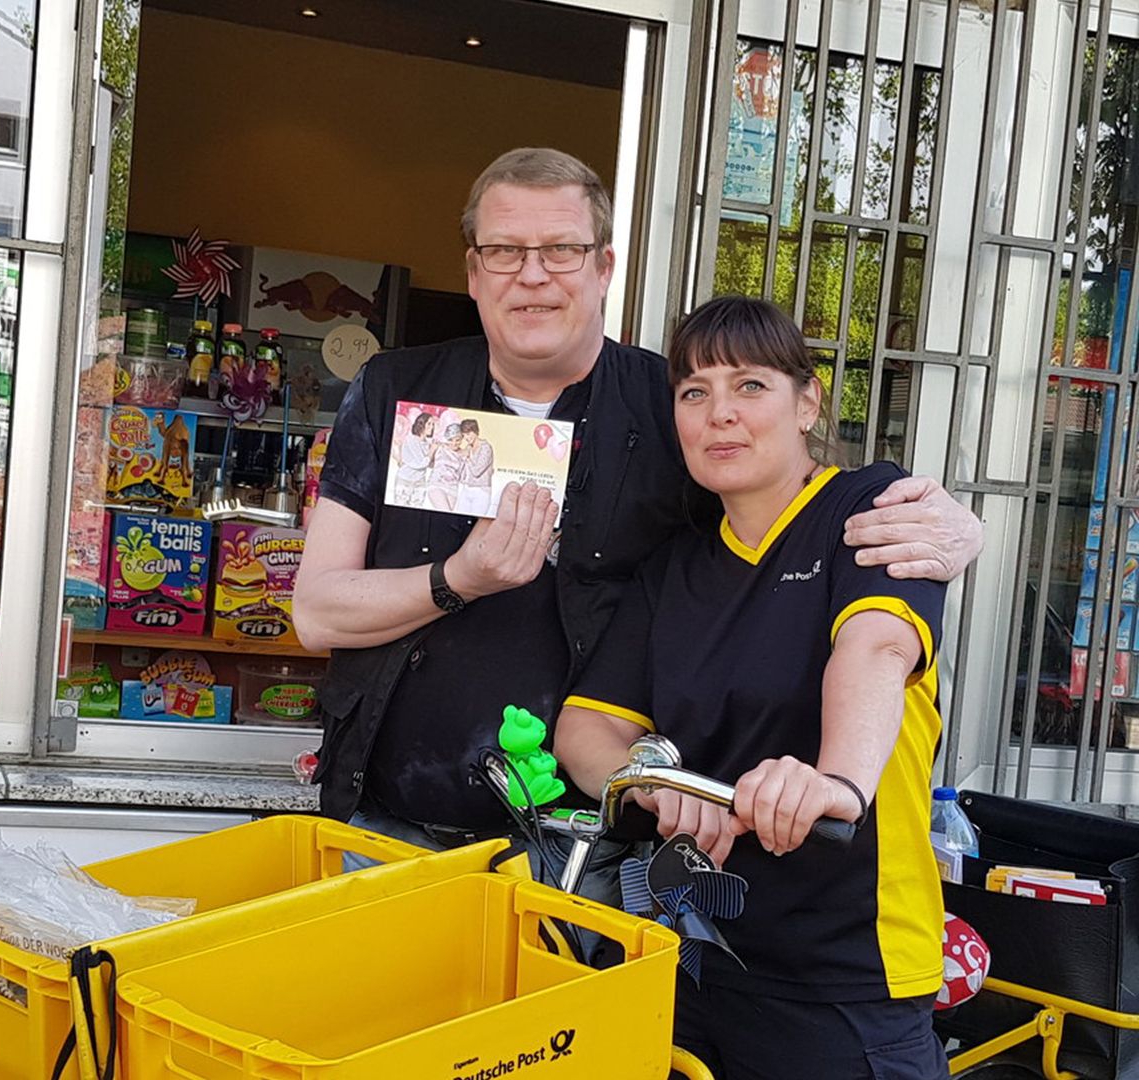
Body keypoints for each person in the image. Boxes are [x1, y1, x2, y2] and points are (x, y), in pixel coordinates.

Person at [293, 147, 981, 897]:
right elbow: (316, 613)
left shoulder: (671, 404)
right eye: (504, 250)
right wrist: (459, 578)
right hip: (385, 829)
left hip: (586, 851)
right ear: (472, 272)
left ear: (603, 267)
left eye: (561, 249)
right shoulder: (396, 388)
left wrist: (959, 526)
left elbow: (780, 512)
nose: (532, 274)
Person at [553, 296, 948, 1078]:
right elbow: (584, 730)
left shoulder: (865, 509)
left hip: (846, 973)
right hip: (700, 958)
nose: (719, 414)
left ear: (808, 402)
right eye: (694, 392)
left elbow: (875, 649)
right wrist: (659, 783)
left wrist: (836, 783)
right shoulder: (677, 568)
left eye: (750, 386)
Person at [393, 409, 436, 503]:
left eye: (433, 424)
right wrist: (432, 450)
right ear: (421, 424)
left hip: (420, 482)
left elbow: (429, 465)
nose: (432, 427)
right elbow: (420, 464)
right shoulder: (411, 440)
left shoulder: (427, 443)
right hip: (405, 480)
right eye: (429, 424)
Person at [457, 417, 495, 516]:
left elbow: (477, 471)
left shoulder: (486, 448)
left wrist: (467, 458)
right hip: (466, 489)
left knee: (476, 522)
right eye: (464, 435)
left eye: (468, 434)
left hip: (481, 490)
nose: (466, 437)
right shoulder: (469, 447)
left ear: (475, 432)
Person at [427, 421, 465, 511]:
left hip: (453, 488)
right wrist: (432, 449)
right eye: (451, 440)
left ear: (462, 438)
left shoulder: (463, 454)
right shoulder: (440, 447)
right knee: (445, 511)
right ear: (447, 438)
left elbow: (463, 475)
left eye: (457, 440)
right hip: (437, 484)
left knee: (448, 516)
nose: (454, 443)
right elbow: (428, 464)